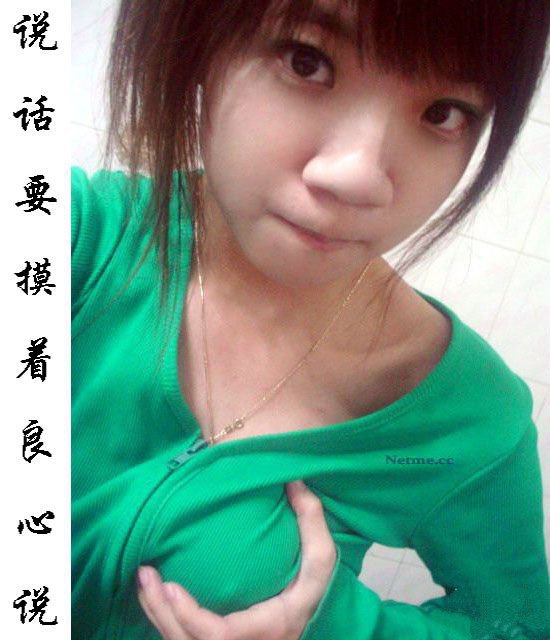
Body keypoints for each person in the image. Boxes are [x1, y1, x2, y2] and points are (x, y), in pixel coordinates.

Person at [71, 0, 550, 638]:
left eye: (443, 111)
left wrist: (333, 626)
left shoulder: (463, 414)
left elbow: (517, 625)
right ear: (200, 43)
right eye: (306, 61)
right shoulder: (81, 242)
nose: (357, 177)